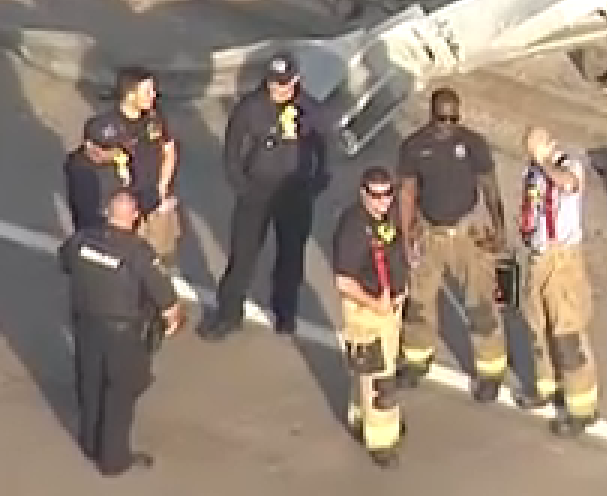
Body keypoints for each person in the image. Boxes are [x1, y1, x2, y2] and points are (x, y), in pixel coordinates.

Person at [198, 51, 333, 340]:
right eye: (273, 83)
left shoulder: (311, 110)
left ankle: (285, 312)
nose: (277, 89)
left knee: (291, 257)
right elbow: (232, 149)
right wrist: (241, 184)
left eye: (283, 84)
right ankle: (228, 314)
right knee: (243, 256)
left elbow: (326, 149)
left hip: (295, 192)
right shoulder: (251, 108)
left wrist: (316, 183)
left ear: (296, 80)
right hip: (257, 189)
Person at [59, 187, 184, 477]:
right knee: (119, 394)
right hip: (122, 332)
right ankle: (113, 459)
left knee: (90, 384)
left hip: (87, 324)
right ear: (135, 217)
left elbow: (65, 261)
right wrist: (173, 317)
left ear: (107, 213)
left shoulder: (82, 240)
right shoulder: (138, 252)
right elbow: (164, 295)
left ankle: (90, 441)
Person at [395, 87, 510, 401]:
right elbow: (407, 193)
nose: (448, 123)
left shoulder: (473, 144)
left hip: (467, 235)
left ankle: (490, 372)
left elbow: (490, 187)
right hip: (430, 234)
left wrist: (500, 229)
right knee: (418, 303)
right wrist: (406, 237)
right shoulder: (414, 147)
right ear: (431, 114)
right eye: (442, 117)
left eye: (453, 117)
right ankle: (417, 360)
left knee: (481, 306)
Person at [517, 126, 599, 435]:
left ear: (550, 144)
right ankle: (547, 387)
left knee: (567, 333)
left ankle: (582, 408)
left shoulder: (567, 165)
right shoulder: (533, 173)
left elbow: (567, 184)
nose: (532, 153)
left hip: (563, 260)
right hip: (539, 257)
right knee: (537, 327)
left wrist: (545, 164)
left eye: (537, 147)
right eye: (529, 148)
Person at [333, 167, 412, 468]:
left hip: (388, 308)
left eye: (387, 194)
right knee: (380, 380)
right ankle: (381, 441)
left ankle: (359, 416)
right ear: (363, 193)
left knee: (368, 372)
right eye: (375, 195)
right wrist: (374, 304)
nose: (382, 201)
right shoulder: (353, 228)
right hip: (367, 311)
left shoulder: (387, 217)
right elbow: (344, 281)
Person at [85, 67, 181, 272]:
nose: (153, 96)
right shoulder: (104, 128)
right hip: (124, 208)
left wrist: (163, 188)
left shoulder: (155, 119)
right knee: (123, 263)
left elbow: (169, 150)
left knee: (160, 260)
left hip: (155, 203)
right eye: (147, 91)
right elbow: (91, 162)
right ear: (130, 94)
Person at [64, 115, 130, 233]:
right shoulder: (84, 177)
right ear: (89, 145)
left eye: (118, 145)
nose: (116, 151)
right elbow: (90, 221)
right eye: (108, 147)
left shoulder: (112, 161)